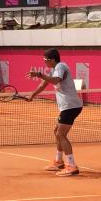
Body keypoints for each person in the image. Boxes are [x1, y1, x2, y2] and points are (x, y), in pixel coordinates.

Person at [26, 48, 83, 176]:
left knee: (61, 134)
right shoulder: (54, 69)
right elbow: (43, 84)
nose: (44, 62)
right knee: (56, 132)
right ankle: (58, 161)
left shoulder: (61, 66)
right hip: (66, 107)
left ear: (52, 59)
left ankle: (72, 166)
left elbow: (56, 80)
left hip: (71, 106)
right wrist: (32, 95)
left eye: (45, 60)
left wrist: (39, 74)